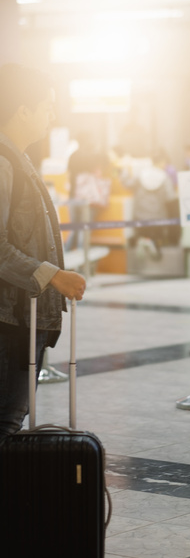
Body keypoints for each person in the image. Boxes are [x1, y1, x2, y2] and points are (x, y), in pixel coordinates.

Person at [0, 63, 86, 442]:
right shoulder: (4, 163)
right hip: (11, 319)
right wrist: (52, 275)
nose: (53, 115)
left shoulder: (18, 158)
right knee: (6, 420)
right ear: (22, 110)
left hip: (23, 315)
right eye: (47, 106)